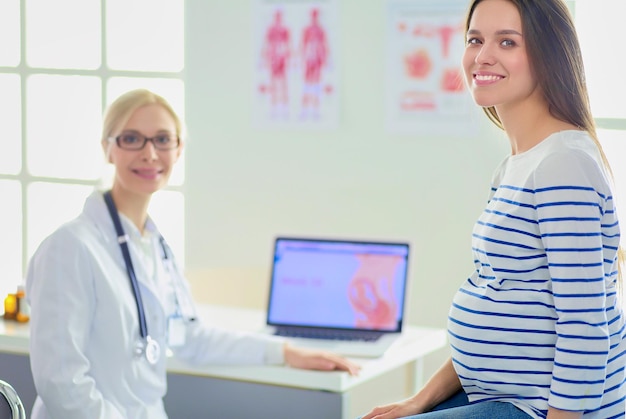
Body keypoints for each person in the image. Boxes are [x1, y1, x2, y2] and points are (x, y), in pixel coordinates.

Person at [359, 0, 625, 418]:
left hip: (539, 410)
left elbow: (586, 328)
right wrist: (418, 401)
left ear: (548, 53)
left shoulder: (563, 164)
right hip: (499, 395)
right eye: (475, 40)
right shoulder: (519, 165)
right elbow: (496, 300)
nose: (483, 56)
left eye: (507, 41)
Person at [25, 88, 360, 419]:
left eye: (162, 139)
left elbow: (191, 337)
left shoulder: (155, 248)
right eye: (131, 139)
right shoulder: (69, 248)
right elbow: (61, 382)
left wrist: (285, 352)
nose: (150, 154)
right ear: (107, 149)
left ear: (179, 149)